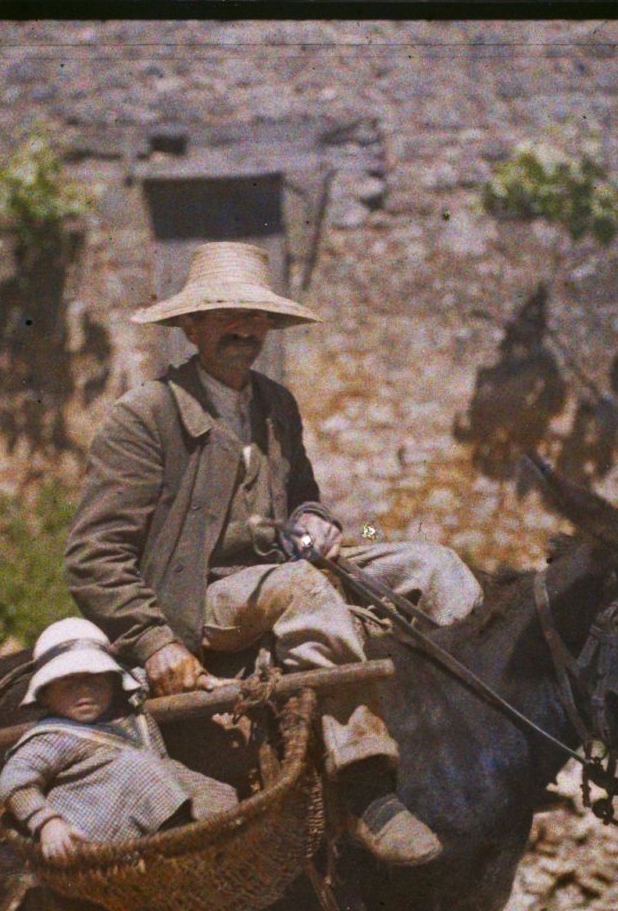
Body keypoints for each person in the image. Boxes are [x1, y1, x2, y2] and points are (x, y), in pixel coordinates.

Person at [65, 241, 482, 867]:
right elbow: (92, 556)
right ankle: (365, 787)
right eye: (227, 314)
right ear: (190, 326)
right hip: (202, 592)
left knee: (433, 558)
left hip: (296, 561)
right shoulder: (145, 416)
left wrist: (321, 522)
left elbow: (305, 501)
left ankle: (471, 739)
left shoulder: (276, 405)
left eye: (256, 316)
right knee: (303, 587)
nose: (244, 329)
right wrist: (155, 644)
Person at [0, 618, 237, 861]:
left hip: (156, 797)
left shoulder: (126, 706)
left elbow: (156, 677)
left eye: (94, 679)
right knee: (140, 768)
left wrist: (199, 679)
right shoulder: (50, 737)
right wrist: (47, 823)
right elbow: (14, 782)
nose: (84, 692)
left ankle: (216, 841)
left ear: (113, 682)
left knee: (215, 794)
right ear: (45, 695)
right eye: (68, 684)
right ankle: (184, 849)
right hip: (95, 826)